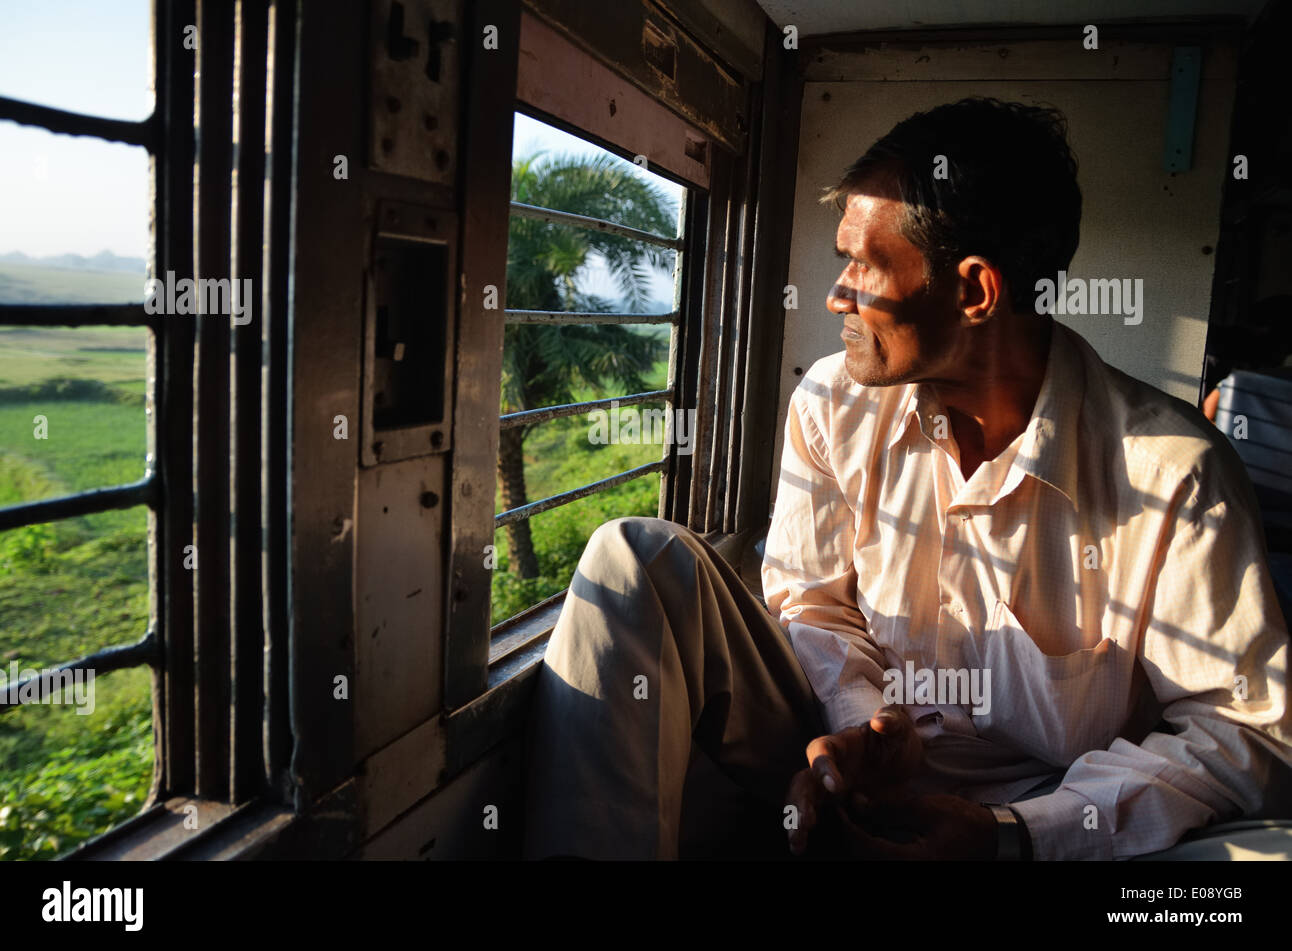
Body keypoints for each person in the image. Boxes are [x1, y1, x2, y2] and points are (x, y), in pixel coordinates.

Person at [522, 97, 1292, 860]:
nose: (837, 294)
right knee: (636, 561)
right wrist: (861, 727)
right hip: (839, 738)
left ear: (975, 290)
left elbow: (1245, 730)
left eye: (864, 263)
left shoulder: (1173, 474)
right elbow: (814, 603)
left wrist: (1015, 838)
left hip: (1050, 806)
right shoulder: (832, 405)